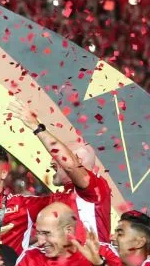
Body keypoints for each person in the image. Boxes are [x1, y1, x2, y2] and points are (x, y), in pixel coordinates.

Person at [9, 99, 113, 242]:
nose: (52, 161)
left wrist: (35, 126)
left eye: (56, 157)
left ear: (79, 161)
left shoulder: (96, 189)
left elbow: (69, 164)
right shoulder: (59, 197)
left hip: (91, 264)